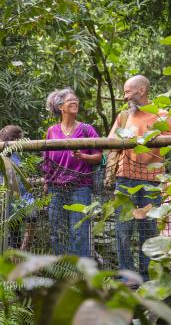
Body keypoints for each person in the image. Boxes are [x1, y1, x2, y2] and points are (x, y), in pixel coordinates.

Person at [108, 75, 171, 282]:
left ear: (141, 91)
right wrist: (125, 140)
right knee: (123, 230)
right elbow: (110, 140)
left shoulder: (161, 115)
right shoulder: (123, 116)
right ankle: (127, 276)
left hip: (150, 181)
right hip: (124, 179)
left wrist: (150, 139)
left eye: (128, 92)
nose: (125, 96)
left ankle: (147, 277)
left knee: (148, 229)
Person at [43, 88, 102, 257]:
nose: (75, 102)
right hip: (56, 188)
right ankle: (64, 271)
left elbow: (98, 157)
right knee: (57, 231)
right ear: (61, 106)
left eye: (76, 100)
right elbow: (47, 161)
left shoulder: (86, 129)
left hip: (80, 187)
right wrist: (46, 183)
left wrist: (83, 156)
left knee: (79, 231)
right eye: (70, 100)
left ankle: (82, 275)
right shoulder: (51, 131)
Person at [0, 125, 35, 250]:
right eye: (19, 139)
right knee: (13, 229)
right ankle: (13, 258)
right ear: (12, 138)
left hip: (23, 193)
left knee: (33, 216)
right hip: (8, 194)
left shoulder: (15, 152)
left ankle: (24, 250)